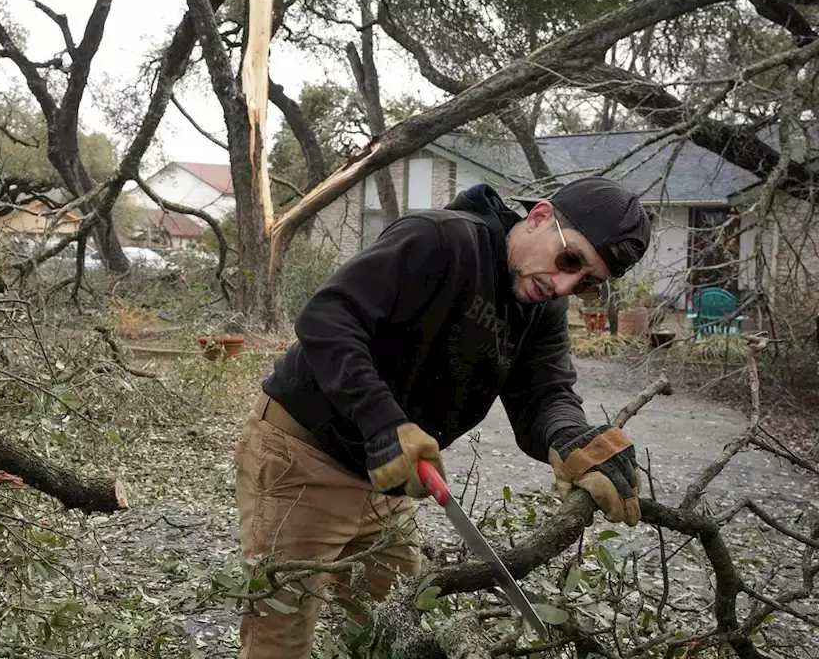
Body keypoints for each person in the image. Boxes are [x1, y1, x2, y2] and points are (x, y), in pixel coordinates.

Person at [234, 177, 652, 658]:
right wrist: (382, 422)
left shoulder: (544, 310)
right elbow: (327, 319)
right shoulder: (440, 240)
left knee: (396, 630)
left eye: (587, 284)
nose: (563, 285)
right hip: (303, 459)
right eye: (570, 260)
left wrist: (573, 438)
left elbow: (545, 394)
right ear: (539, 217)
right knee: (279, 639)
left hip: (390, 480)